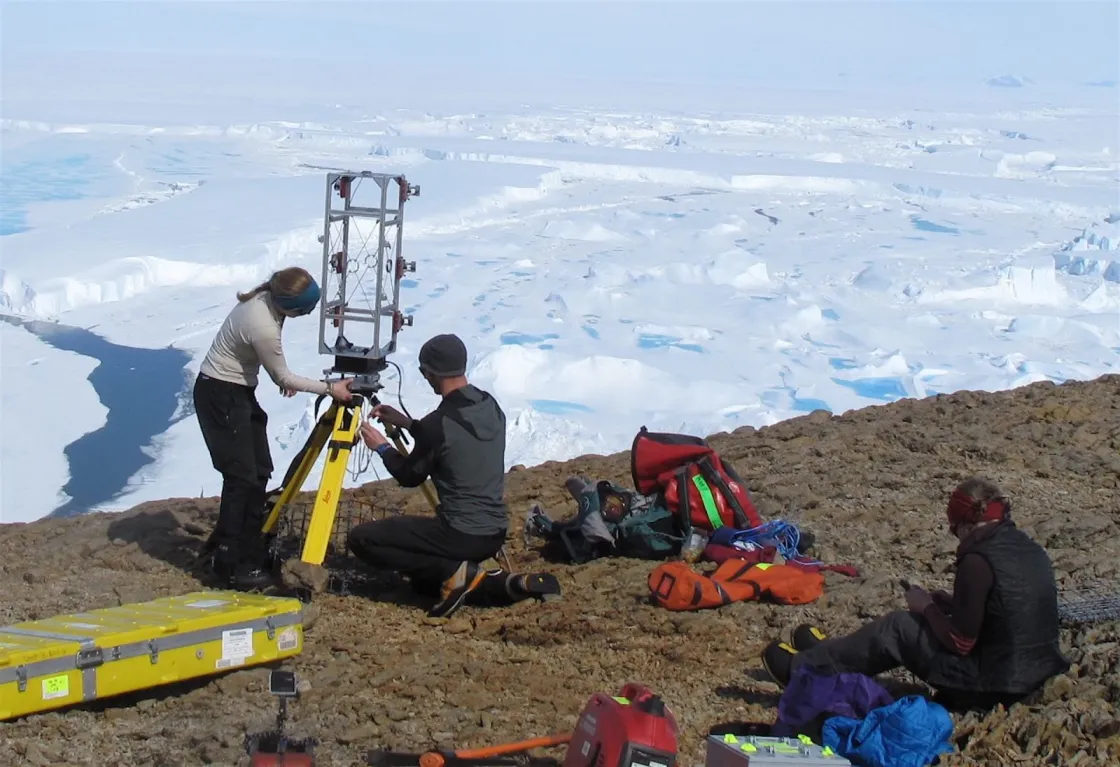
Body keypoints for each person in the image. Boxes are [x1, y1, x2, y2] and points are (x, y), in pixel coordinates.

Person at [760, 477, 1070, 711]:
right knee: (912, 624)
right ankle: (834, 655)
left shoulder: (978, 559)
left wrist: (926, 608)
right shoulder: (1028, 549)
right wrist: (951, 604)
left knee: (899, 628)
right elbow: (1006, 611)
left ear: (964, 523)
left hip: (992, 687)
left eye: (953, 528)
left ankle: (801, 671)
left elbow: (961, 642)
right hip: (1034, 673)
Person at [194, 267, 352, 590]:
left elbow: (269, 364)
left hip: (235, 391)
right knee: (241, 478)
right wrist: (330, 389)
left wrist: (274, 373)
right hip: (221, 395)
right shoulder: (262, 324)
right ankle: (229, 562)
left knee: (260, 471)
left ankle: (248, 548)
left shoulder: (268, 300)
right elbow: (283, 376)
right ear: (290, 306)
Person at [347, 333, 512, 618]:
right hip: (494, 533)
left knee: (362, 539)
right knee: (422, 586)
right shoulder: (490, 405)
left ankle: (454, 572)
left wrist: (382, 447)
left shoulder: (438, 424)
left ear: (430, 373)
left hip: (460, 534)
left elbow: (410, 476)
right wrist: (408, 424)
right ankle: (464, 576)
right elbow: (451, 438)